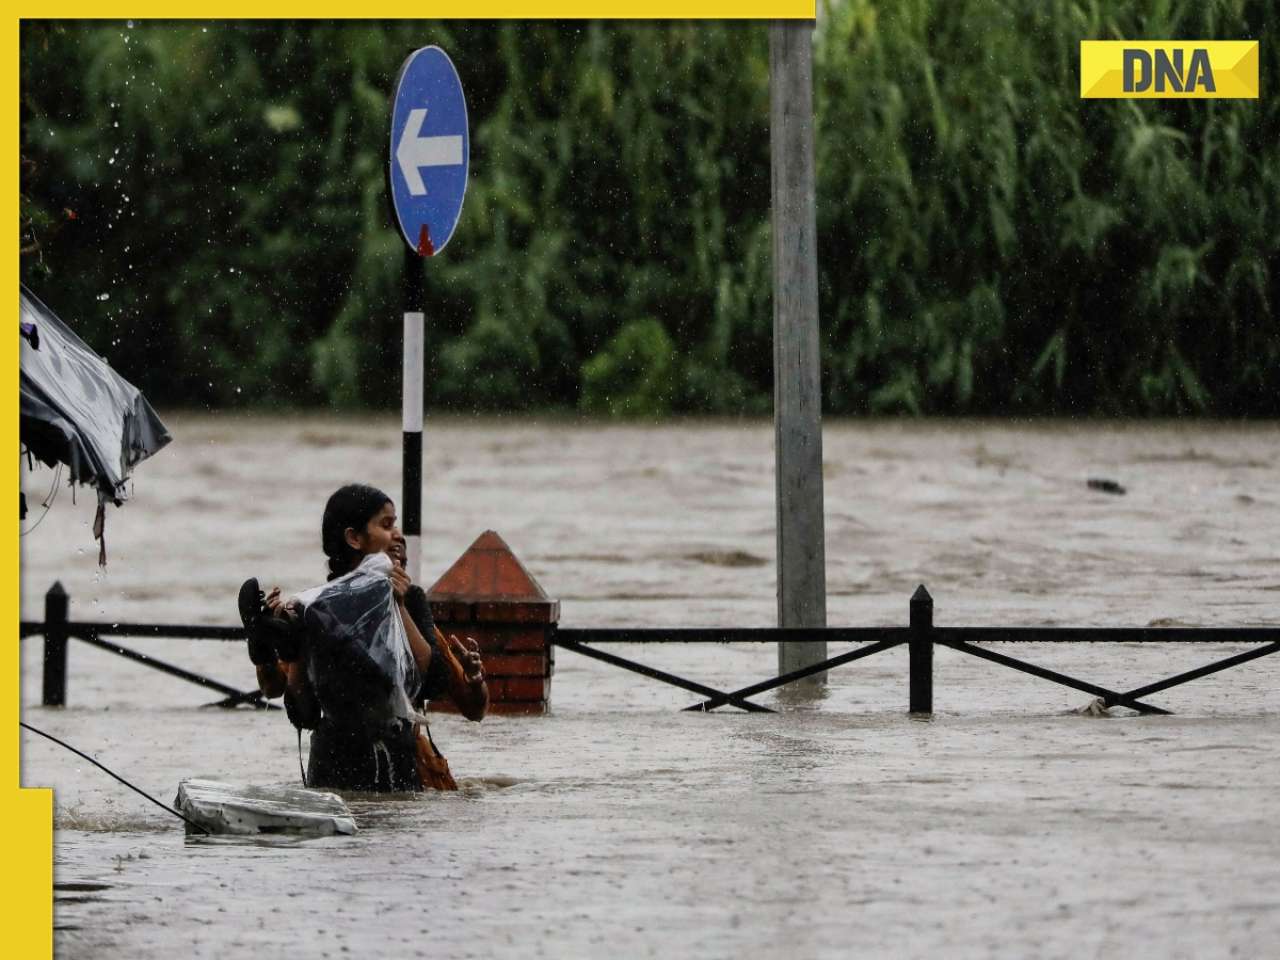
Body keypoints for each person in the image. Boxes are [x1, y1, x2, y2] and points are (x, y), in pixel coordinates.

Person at [240, 483, 488, 792]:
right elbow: (302, 712)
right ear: (354, 538)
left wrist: (397, 606)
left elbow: (433, 680)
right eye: (386, 525)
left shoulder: (408, 599)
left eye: (395, 524)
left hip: (395, 764)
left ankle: (274, 635)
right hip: (339, 769)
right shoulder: (316, 610)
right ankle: (273, 636)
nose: (398, 534)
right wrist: (295, 648)